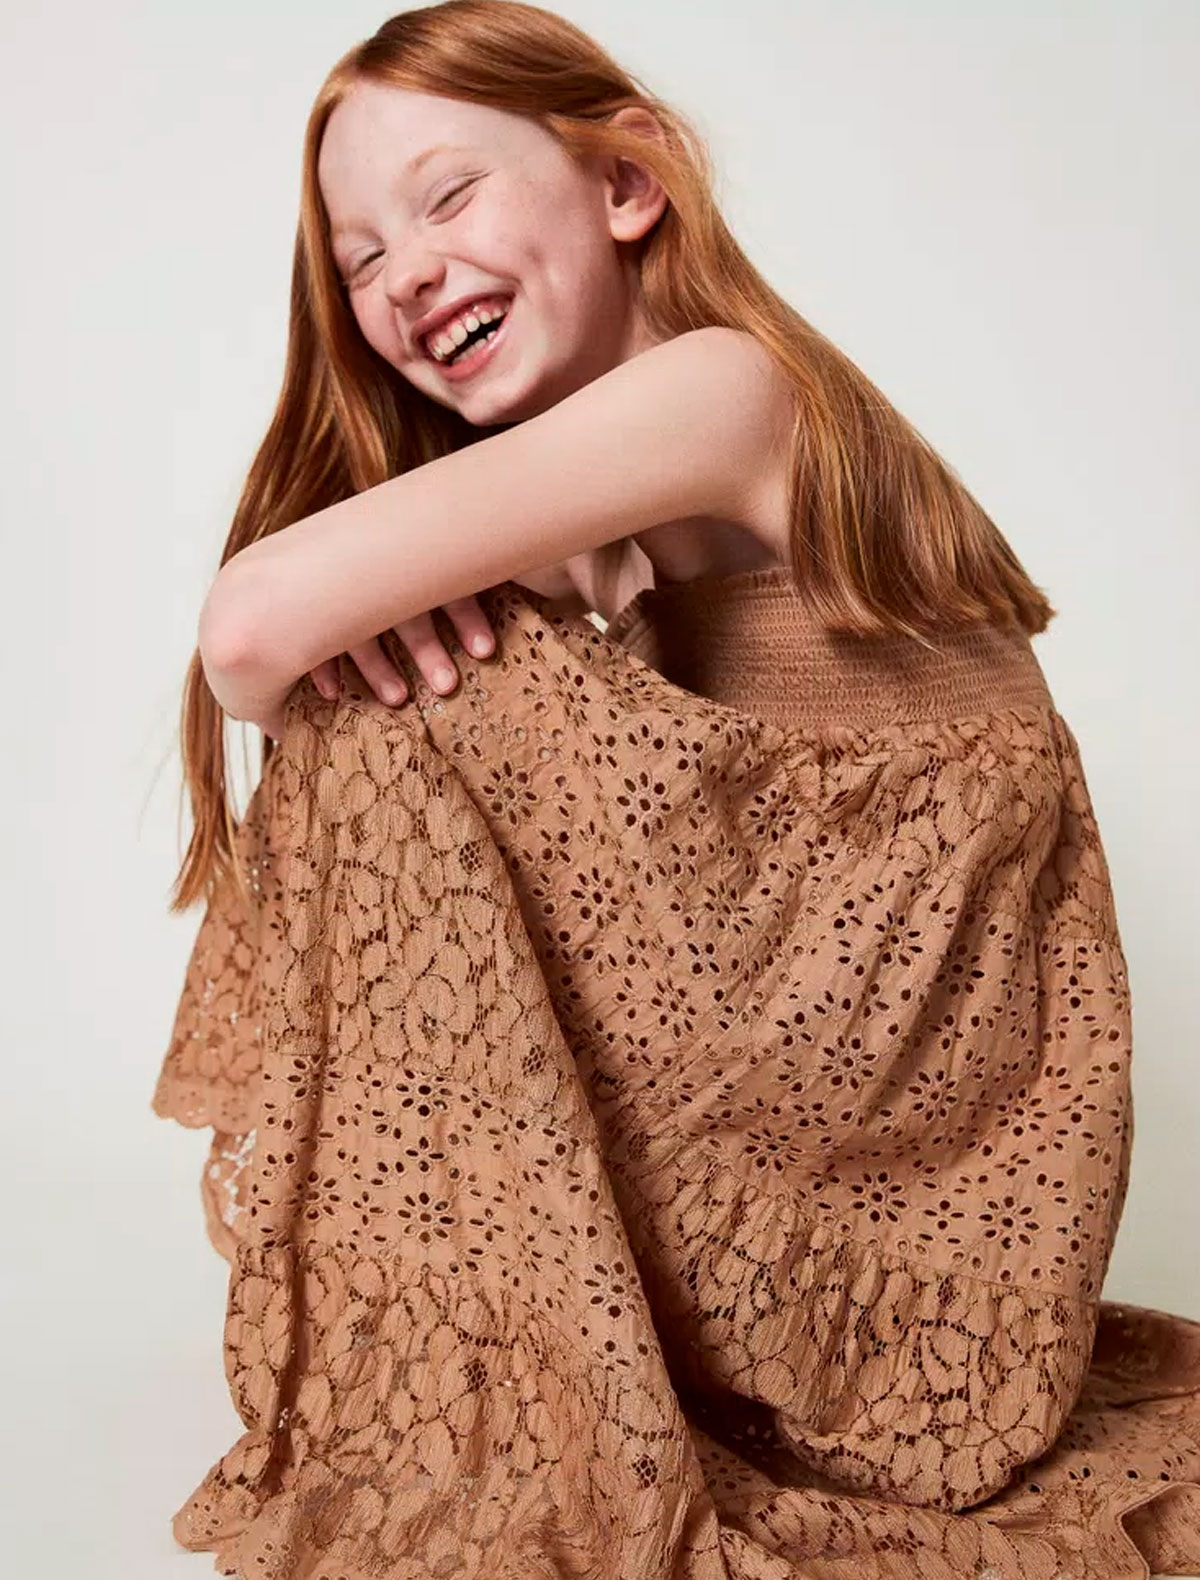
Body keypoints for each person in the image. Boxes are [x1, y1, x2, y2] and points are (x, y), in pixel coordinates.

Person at [153, 5, 1200, 1577]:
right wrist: (363, 630)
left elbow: (246, 636)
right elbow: (274, 649)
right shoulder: (611, 520)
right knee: (402, 688)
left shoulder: (726, 390)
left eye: (448, 198)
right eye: (359, 259)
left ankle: (481, 1373)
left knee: (390, 713)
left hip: (904, 1206)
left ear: (629, 180)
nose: (408, 276)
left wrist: (341, 638)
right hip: (818, 1130)